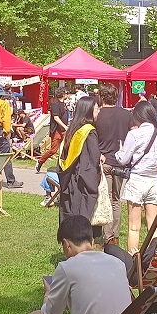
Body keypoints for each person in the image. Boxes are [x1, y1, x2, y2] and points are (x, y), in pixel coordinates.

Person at [116, 101, 157, 254]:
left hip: (137, 179)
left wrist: (119, 151)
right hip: (154, 179)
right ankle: (154, 258)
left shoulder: (134, 134)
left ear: (137, 115)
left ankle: (133, 259)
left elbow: (123, 159)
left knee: (134, 226)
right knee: (154, 225)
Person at [94, 84, 134, 246]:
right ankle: (114, 237)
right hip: (120, 161)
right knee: (116, 200)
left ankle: (107, 235)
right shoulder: (126, 114)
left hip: (102, 160)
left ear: (101, 97)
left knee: (104, 198)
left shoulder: (97, 115)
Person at [57, 96, 102, 237]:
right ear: (88, 110)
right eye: (96, 108)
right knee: (82, 220)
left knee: (70, 215)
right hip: (82, 182)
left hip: (69, 181)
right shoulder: (89, 132)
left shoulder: (73, 129)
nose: (99, 111)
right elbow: (93, 160)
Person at [36, 88, 68, 172]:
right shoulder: (55, 104)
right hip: (57, 130)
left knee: (66, 148)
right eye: (66, 93)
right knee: (54, 150)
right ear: (63, 94)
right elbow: (56, 118)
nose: (67, 95)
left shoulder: (64, 104)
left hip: (64, 130)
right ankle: (40, 161)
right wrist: (65, 126)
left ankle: (63, 167)